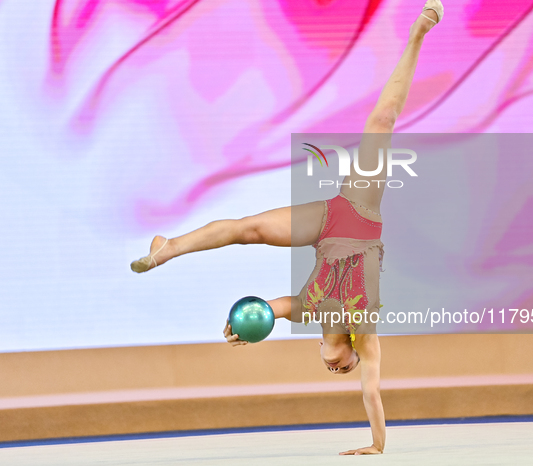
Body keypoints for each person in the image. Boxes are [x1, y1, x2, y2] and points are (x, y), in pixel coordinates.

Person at [131, 0, 443, 455]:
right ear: (355, 353)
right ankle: (419, 32)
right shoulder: (364, 326)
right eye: (347, 368)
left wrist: (241, 328)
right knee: (381, 122)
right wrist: (378, 444)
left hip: (324, 224)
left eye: (332, 370)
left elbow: (260, 310)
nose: (341, 369)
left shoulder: (307, 311)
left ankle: (169, 245)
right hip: (358, 211)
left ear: (319, 349)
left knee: (250, 230)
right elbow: (372, 392)